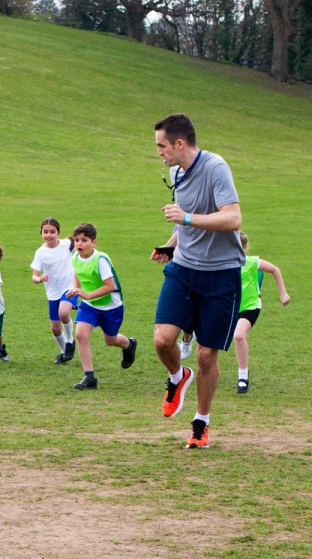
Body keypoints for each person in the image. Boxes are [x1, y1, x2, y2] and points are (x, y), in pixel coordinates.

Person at [151, 113, 243, 449]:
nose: (159, 152)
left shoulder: (216, 167)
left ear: (179, 143)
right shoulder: (176, 172)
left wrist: (187, 218)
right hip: (185, 269)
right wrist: (170, 244)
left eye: (162, 146)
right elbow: (182, 223)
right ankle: (177, 377)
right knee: (162, 340)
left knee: (206, 354)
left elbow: (233, 218)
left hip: (221, 274)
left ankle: (201, 422)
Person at [66, 223, 137, 390]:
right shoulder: (75, 256)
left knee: (110, 340)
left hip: (110, 306)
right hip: (89, 305)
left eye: (84, 240)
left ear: (94, 242)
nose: (79, 244)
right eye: (77, 240)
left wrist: (87, 294)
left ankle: (129, 345)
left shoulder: (101, 260)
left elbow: (109, 286)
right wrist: (76, 289)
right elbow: (77, 273)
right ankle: (89, 377)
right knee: (81, 334)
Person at [233, 231, 290, 393]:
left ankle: (243, 377)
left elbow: (275, 269)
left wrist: (283, 293)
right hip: (230, 308)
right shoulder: (224, 264)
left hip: (251, 306)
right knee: (239, 337)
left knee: (238, 336)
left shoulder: (252, 262)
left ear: (242, 247)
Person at [30, 217, 78, 364]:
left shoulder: (68, 244)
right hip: (52, 292)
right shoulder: (40, 252)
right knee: (55, 328)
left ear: (58, 232)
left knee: (63, 312)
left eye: (52, 231)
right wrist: (39, 279)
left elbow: (85, 248)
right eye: (45, 232)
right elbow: (34, 276)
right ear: (41, 233)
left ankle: (70, 340)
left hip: (70, 287)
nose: (48, 235)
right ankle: (65, 353)